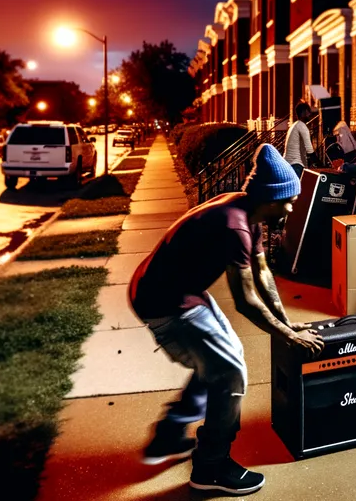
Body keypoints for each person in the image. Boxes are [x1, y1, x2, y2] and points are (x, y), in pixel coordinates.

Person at [129, 144, 325, 495]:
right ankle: (211, 467)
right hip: (163, 301)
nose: (293, 206)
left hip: (179, 288)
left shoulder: (249, 211)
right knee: (230, 372)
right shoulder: (234, 225)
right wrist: (286, 336)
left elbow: (262, 275)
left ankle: (171, 432)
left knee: (224, 356)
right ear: (271, 198)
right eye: (289, 200)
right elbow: (246, 300)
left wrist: (286, 321)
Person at [283, 102, 315, 174]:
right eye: (308, 112)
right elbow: (309, 150)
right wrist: (320, 165)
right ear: (304, 112)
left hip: (288, 164)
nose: (310, 114)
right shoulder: (302, 126)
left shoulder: (294, 125)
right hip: (296, 165)